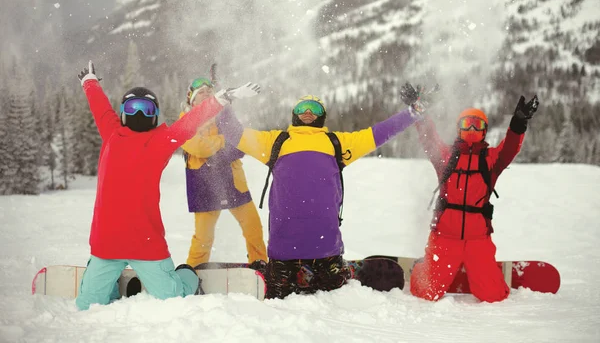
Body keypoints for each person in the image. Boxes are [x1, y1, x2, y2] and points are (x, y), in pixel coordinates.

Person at [75, 61, 260, 310]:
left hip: (146, 242)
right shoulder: (112, 133)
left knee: (173, 299)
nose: (139, 113)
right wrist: (90, 83)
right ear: (123, 112)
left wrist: (222, 98)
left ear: (154, 114)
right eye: (133, 107)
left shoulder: (161, 141)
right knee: (86, 305)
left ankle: (186, 274)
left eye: (146, 108)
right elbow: (100, 107)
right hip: (106, 244)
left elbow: (190, 122)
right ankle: (104, 281)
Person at [216, 94, 429, 299]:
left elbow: (379, 133)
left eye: (314, 108)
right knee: (277, 292)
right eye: (302, 108)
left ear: (322, 116)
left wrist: (413, 112)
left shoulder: (337, 143)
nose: (308, 112)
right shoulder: (275, 142)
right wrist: (223, 104)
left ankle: (337, 271)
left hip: (326, 246)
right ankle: (275, 270)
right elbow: (234, 133)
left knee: (333, 286)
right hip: (283, 246)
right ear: (294, 114)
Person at [400, 83, 539, 303]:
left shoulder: (491, 160)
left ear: (484, 130)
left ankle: (475, 271)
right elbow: (429, 138)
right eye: (467, 124)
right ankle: (423, 266)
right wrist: (420, 111)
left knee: (493, 296)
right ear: (459, 129)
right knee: (426, 293)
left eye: (477, 124)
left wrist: (518, 123)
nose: (472, 129)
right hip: (445, 237)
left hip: (478, 240)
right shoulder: (446, 157)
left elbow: (510, 148)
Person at [181, 77, 267, 267]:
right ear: (191, 100)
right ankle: (193, 272)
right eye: (200, 93)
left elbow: (240, 143)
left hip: (233, 180)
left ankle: (260, 266)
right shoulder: (185, 121)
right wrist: (223, 141)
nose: (206, 95)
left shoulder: (225, 115)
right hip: (203, 183)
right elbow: (200, 148)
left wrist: (220, 146)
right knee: (203, 238)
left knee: (253, 229)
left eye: (209, 92)